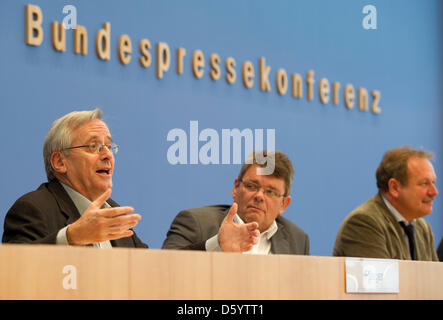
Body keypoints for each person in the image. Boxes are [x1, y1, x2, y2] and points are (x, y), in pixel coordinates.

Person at [2, 109, 147, 248]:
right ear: (60, 162)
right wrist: (70, 237)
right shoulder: (33, 209)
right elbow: (15, 266)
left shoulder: (113, 214)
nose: (107, 155)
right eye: (93, 146)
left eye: (109, 146)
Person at [162, 150, 309, 255]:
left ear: (284, 204)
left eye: (270, 192)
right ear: (235, 187)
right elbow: (163, 268)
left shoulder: (297, 240)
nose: (259, 196)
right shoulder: (196, 223)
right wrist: (217, 244)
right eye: (251, 186)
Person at [333, 146, 438, 261]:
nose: (434, 192)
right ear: (394, 188)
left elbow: (434, 278)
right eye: (424, 183)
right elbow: (380, 278)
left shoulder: (422, 228)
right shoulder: (364, 223)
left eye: (433, 182)